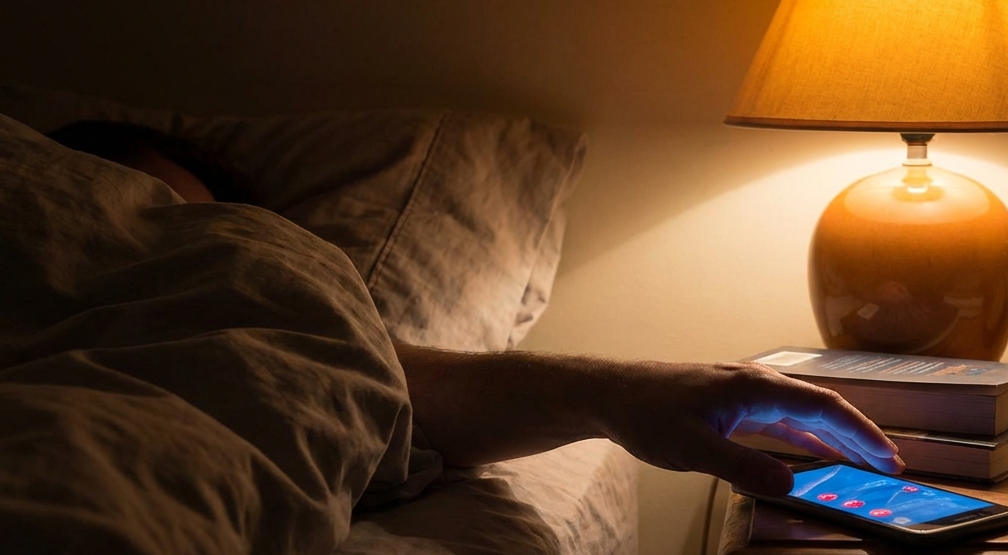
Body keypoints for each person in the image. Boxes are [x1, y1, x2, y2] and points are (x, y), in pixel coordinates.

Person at [47, 121, 905, 497]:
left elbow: (358, 379)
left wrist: (620, 392)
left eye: (180, 231)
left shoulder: (264, 313)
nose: (143, 241)